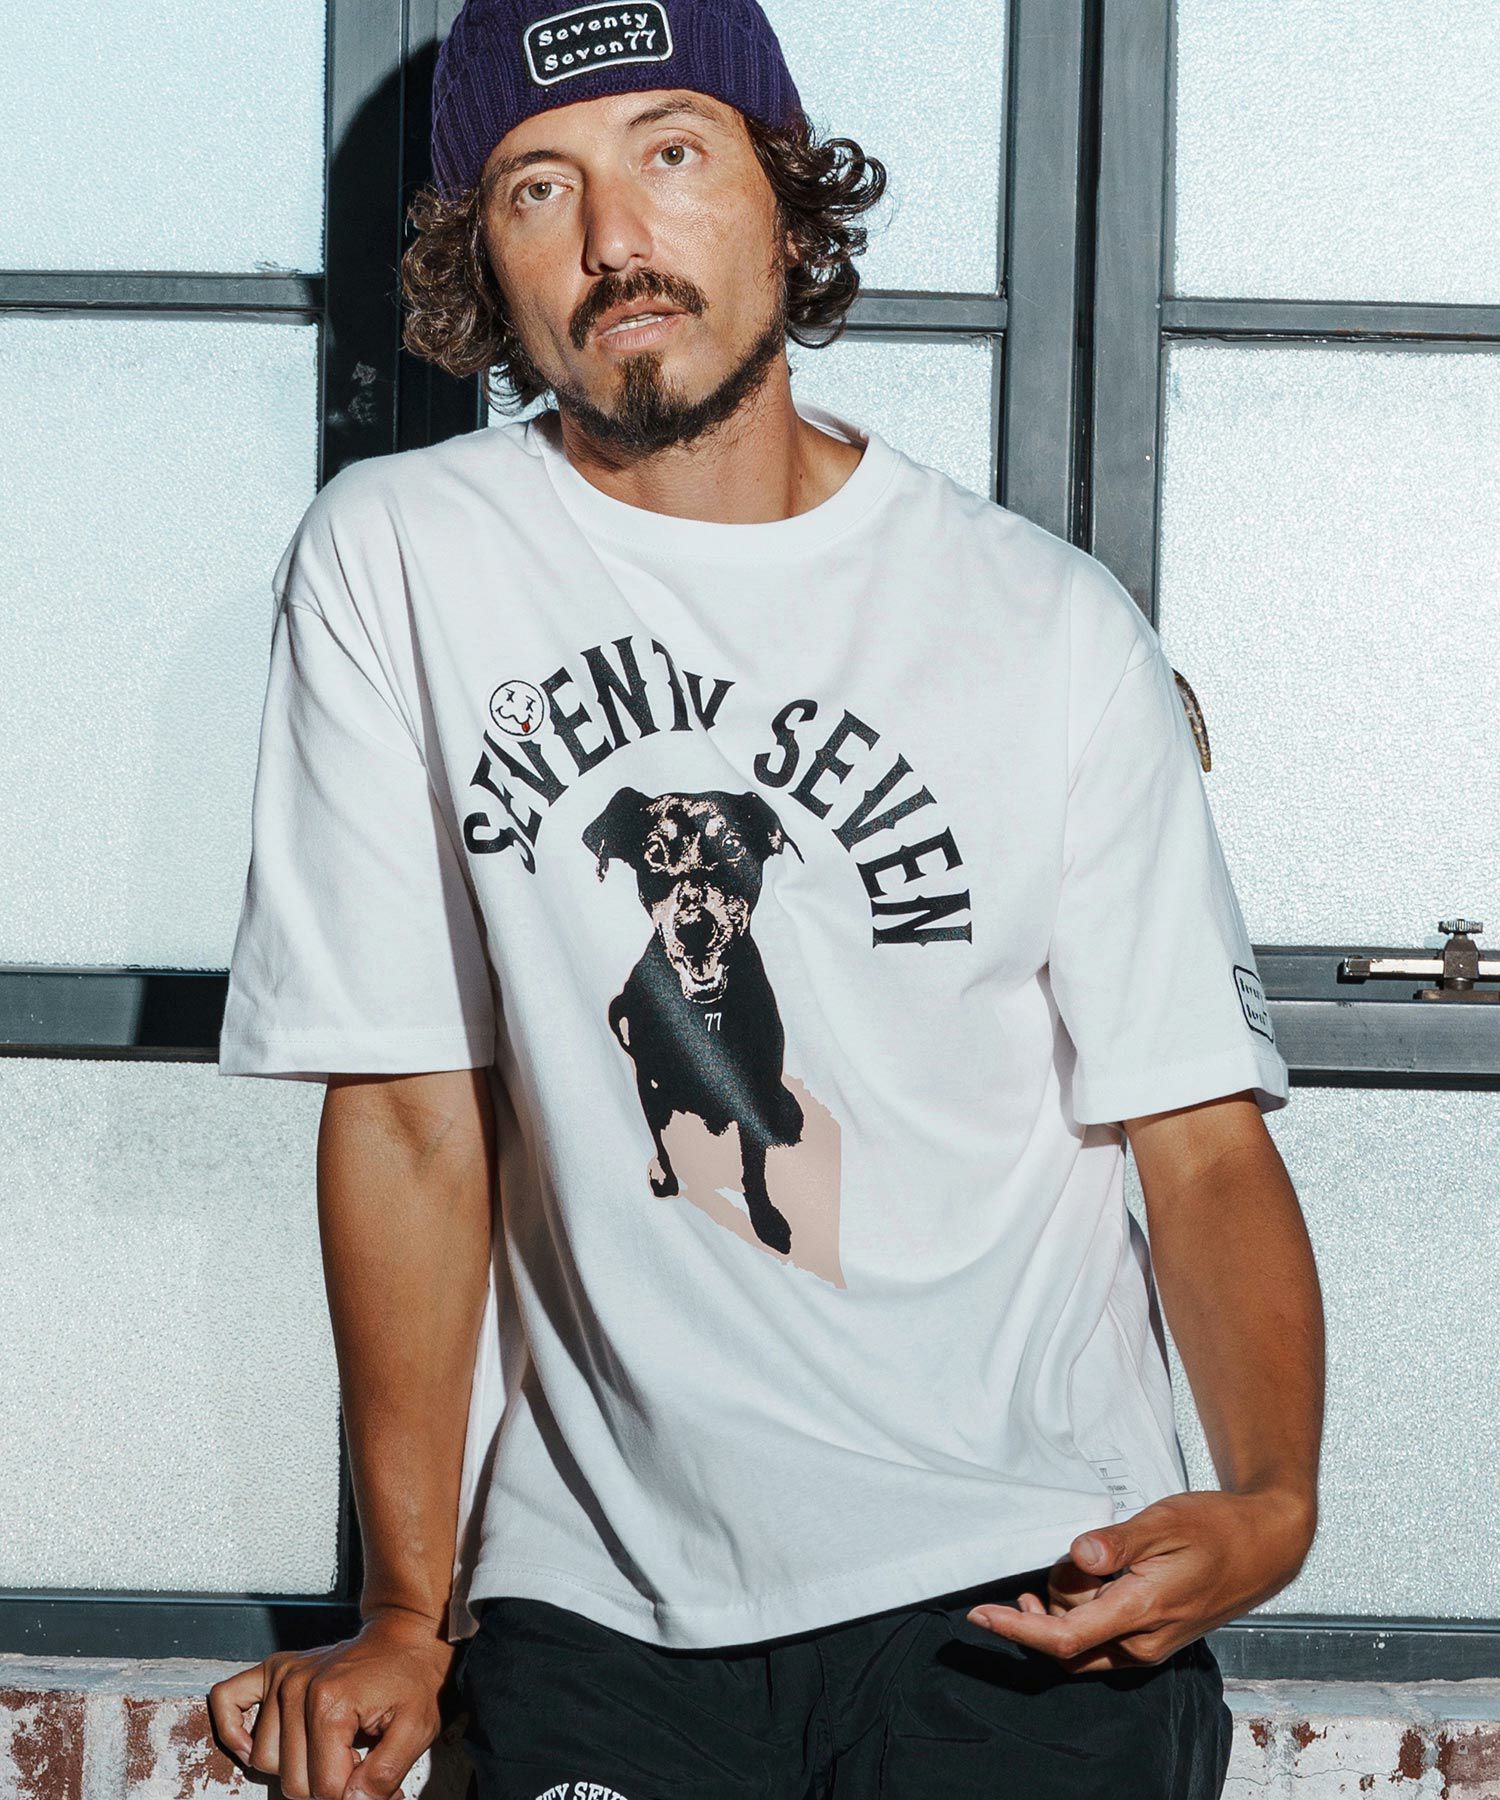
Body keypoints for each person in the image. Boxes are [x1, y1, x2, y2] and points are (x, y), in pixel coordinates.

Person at [207, 2, 1325, 1796]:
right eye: (537, 188)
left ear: (789, 208)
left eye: (672, 152)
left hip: (1029, 1568)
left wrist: (1272, 1498)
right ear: (483, 266)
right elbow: (409, 1108)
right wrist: (408, 1610)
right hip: (604, 1595)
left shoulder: (1045, 627)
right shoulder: (399, 559)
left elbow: (1196, 1134)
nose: (615, 238)